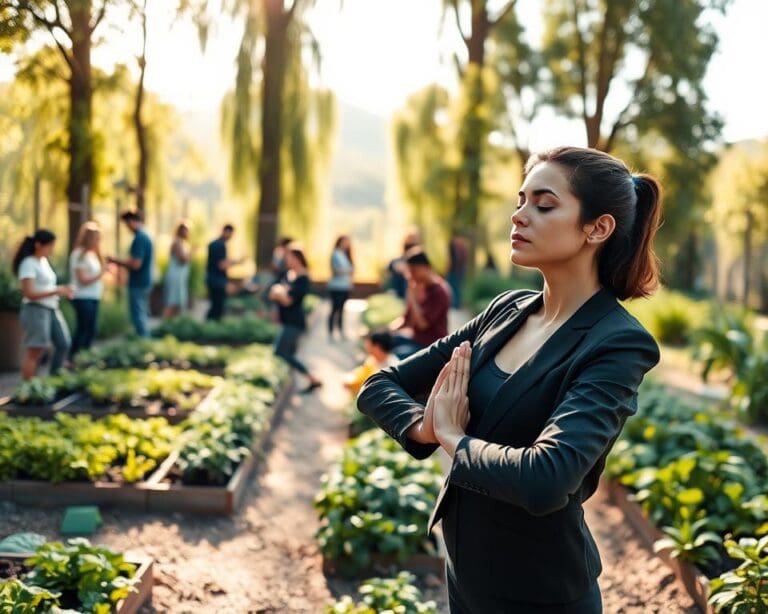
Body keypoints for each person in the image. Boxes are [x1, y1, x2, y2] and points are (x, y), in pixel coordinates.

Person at [358, 146, 663, 613]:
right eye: (521, 200)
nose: (519, 216)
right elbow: (379, 385)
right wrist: (425, 427)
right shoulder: (505, 311)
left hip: (540, 592)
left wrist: (455, 439)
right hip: (464, 575)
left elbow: (547, 478)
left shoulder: (617, 343)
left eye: (544, 204)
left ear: (597, 228)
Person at [13, 229, 72, 379]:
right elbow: (29, 293)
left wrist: (61, 291)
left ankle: (55, 379)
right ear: (39, 245)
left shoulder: (44, 261)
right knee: (35, 350)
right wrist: (57, 291)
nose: (52, 249)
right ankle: (29, 390)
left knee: (63, 343)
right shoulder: (28, 264)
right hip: (35, 310)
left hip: (51, 308)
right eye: (50, 245)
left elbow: (46, 286)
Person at [268, 242, 323, 394]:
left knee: (280, 351)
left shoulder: (303, 278)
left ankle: (313, 378)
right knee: (289, 355)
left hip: (295, 322)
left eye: (290, 257)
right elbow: (272, 293)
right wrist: (279, 293)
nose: (287, 260)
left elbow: (288, 300)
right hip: (286, 320)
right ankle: (308, 380)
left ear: (298, 258)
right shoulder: (288, 274)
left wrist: (279, 293)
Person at [389, 248, 452, 359]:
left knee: (393, 356)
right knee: (385, 343)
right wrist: (385, 332)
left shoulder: (439, 291)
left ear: (426, 268)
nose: (410, 276)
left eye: (413, 271)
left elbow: (423, 324)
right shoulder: (419, 287)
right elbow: (406, 320)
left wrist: (413, 298)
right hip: (415, 339)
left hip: (431, 347)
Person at [108, 209, 154, 337]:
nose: (126, 227)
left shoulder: (139, 238)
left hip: (138, 282)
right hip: (144, 281)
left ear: (132, 221)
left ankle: (144, 344)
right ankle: (145, 342)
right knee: (143, 314)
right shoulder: (145, 235)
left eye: (126, 224)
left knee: (138, 316)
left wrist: (115, 261)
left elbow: (135, 264)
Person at [69, 221, 109, 356]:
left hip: (93, 296)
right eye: (97, 238)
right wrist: (101, 273)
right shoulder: (78, 254)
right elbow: (82, 280)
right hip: (82, 296)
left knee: (91, 329)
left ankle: (84, 357)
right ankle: (74, 357)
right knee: (84, 329)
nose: (99, 241)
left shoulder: (93, 255)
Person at [205, 224, 243, 321]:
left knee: (215, 305)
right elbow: (221, 265)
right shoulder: (220, 245)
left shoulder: (213, 244)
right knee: (218, 307)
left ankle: (209, 325)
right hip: (217, 280)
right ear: (226, 231)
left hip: (211, 278)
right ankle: (209, 326)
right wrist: (236, 262)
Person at [343, 331, 398, 396]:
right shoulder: (372, 359)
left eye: (368, 342)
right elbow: (361, 373)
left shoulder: (391, 369)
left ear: (377, 346)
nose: (365, 345)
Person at [163, 220, 192, 318]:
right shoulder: (177, 243)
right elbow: (183, 259)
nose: (188, 233)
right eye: (187, 230)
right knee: (173, 302)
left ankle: (173, 326)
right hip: (175, 276)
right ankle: (165, 325)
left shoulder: (181, 243)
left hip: (179, 276)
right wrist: (192, 252)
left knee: (177, 303)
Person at [327, 235, 354, 340]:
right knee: (335, 309)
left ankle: (341, 331)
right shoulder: (335, 254)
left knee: (342, 310)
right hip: (336, 287)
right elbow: (335, 271)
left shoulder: (345, 255)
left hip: (345, 286)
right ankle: (331, 332)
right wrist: (347, 271)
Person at [387, 230, 421, 299]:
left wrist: (407, 271)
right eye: (408, 244)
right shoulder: (398, 261)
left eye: (412, 244)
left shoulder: (420, 262)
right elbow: (389, 267)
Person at [447, 235, 469, 308]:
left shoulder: (454, 247)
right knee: (456, 288)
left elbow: (452, 260)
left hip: (455, 271)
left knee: (454, 288)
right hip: (458, 271)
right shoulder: (461, 248)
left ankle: (455, 304)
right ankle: (456, 304)